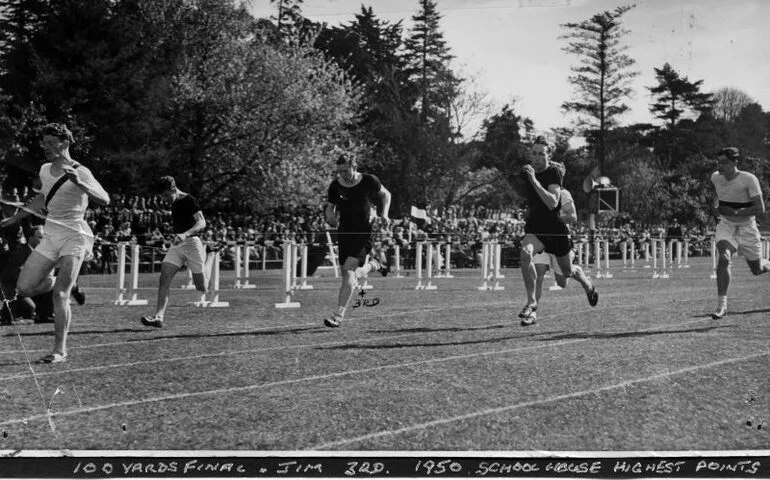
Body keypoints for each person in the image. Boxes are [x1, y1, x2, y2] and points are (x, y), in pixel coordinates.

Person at [0, 123, 109, 363]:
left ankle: (59, 351)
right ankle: (61, 283)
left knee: (61, 294)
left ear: (65, 143)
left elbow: (105, 199)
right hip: (51, 235)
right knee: (24, 288)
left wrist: (80, 183)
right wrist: (15, 218)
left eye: (51, 143)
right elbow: (42, 197)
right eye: (44, 143)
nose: (45, 147)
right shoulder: (45, 169)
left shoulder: (81, 170)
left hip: (75, 235)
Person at [517, 137, 598, 326]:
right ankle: (531, 306)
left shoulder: (557, 182)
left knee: (565, 276)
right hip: (536, 231)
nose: (536, 157)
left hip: (556, 233)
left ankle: (588, 285)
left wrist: (535, 181)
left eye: (541, 154)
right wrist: (528, 211)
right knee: (527, 256)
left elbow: (554, 204)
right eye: (534, 153)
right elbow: (534, 201)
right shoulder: (528, 173)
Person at [324, 153, 391, 328]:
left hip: (363, 232)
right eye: (339, 171)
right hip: (344, 232)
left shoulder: (369, 180)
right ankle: (375, 265)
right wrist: (330, 217)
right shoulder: (335, 186)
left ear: (354, 166)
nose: (342, 174)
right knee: (348, 274)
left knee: (349, 269)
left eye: (345, 170)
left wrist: (384, 214)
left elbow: (386, 194)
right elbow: (330, 208)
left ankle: (338, 316)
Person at [709, 147, 769, 320]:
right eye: (718, 162)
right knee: (724, 258)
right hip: (726, 226)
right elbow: (714, 195)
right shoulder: (715, 177)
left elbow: (760, 208)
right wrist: (716, 209)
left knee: (757, 269)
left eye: (725, 162)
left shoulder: (749, 179)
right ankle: (722, 306)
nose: (720, 166)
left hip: (747, 227)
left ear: (735, 162)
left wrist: (736, 212)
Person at [140, 176, 208, 328]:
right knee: (164, 277)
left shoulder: (189, 200)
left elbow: (202, 222)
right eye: (162, 197)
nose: (164, 199)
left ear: (173, 189)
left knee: (201, 287)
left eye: (165, 195)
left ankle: (207, 261)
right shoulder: (174, 202)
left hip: (192, 244)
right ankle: (158, 317)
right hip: (177, 245)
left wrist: (185, 234)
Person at [532, 171, 578, 303]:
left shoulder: (564, 194)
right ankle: (532, 309)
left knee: (562, 282)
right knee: (537, 274)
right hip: (542, 240)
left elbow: (573, 217)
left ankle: (576, 270)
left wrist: (552, 220)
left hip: (559, 240)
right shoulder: (538, 193)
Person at [0, 225, 54, 324]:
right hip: (14, 288)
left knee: (51, 283)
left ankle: (46, 315)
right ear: (30, 238)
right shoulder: (20, 251)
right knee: (30, 308)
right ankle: (8, 315)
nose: (43, 241)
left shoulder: (43, 253)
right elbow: (13, 274)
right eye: (40, 237)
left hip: (31, 287)